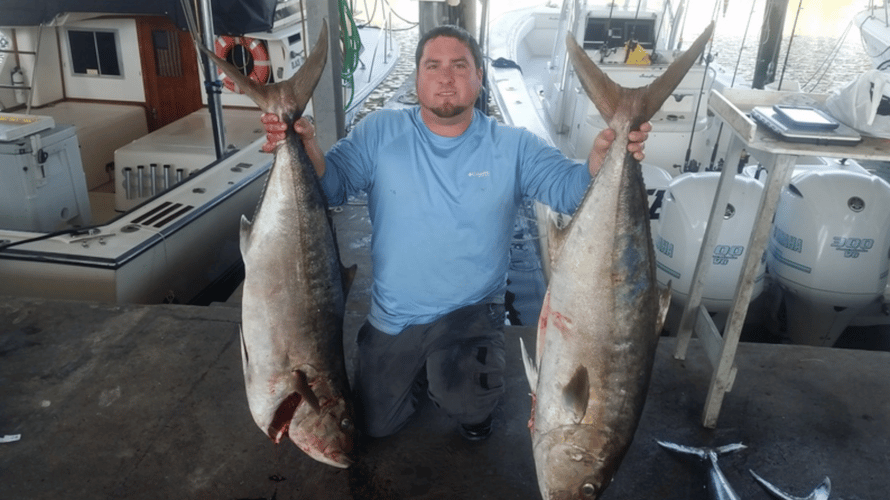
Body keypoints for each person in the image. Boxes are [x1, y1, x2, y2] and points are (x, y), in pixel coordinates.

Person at [260, 25, 650, 440]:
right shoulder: (379, 132)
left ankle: (453, 381)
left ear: (479, 77)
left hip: (470, 311)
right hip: (395, 317)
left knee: (470, 408)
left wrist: (600, 161)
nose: (446, 77)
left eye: (459, 65)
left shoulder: (513, 145)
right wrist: (306, 148)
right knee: (374, 426)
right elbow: (333, 185)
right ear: (417, 79)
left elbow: (570, 191)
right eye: (433, 65)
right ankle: (426, 369)